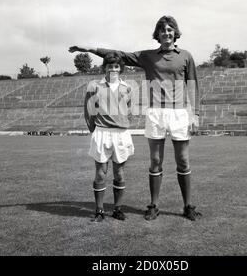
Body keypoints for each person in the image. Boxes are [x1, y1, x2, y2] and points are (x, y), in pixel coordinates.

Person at [70, 15, 202, 221]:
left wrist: (195, 114)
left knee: (183, 161)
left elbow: (193, 84)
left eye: (170, 30)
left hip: (179, 113)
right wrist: (89, 49)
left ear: (175, 32)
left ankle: (188, 206)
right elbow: (118, 54)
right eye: (162, 30)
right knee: (156, 161)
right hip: (156, 112)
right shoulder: (148, 56)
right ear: (157, 34)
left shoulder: (185, 56)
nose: (166, 33)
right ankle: (153, 205)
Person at [84, 52, 134, 222]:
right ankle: (99, 210)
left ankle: (117, 209)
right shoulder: (94, 86)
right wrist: (95, 129)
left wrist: (121, 123)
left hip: (121, 134)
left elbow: (130, 112)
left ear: (120, 69)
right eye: (110, 66)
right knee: (100, 174)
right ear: (104, 68)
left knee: (119, 173)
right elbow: (88, 111)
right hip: (102, 132)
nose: (113, 69)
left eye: (116, 66)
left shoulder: (127, 87)